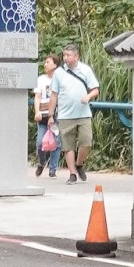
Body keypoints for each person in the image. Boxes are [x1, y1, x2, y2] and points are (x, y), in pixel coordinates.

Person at [50, 43, 99, 184]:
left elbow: (95, 89)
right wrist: (51, 115)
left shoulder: (86, 70)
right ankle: (72, 173)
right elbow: (54, 95)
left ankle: (79, 163)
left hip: (83, 113)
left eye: (68, 55)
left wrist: (88, 97)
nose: (65, 58)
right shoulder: (59, 73)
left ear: (76, 56)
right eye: (64, 55)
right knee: (68, 145)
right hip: (65, 114)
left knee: (86, 141)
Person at [33, 54, 60, 178]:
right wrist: (37, 111)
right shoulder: (41, 79)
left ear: (55, 65)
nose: (45, 65)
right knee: (40, 142)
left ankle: (53, 168)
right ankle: (41, 162)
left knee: (56, 142)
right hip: (43, 115)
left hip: (56, 114)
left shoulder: (60, 79)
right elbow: (37, 96)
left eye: (48, 62)